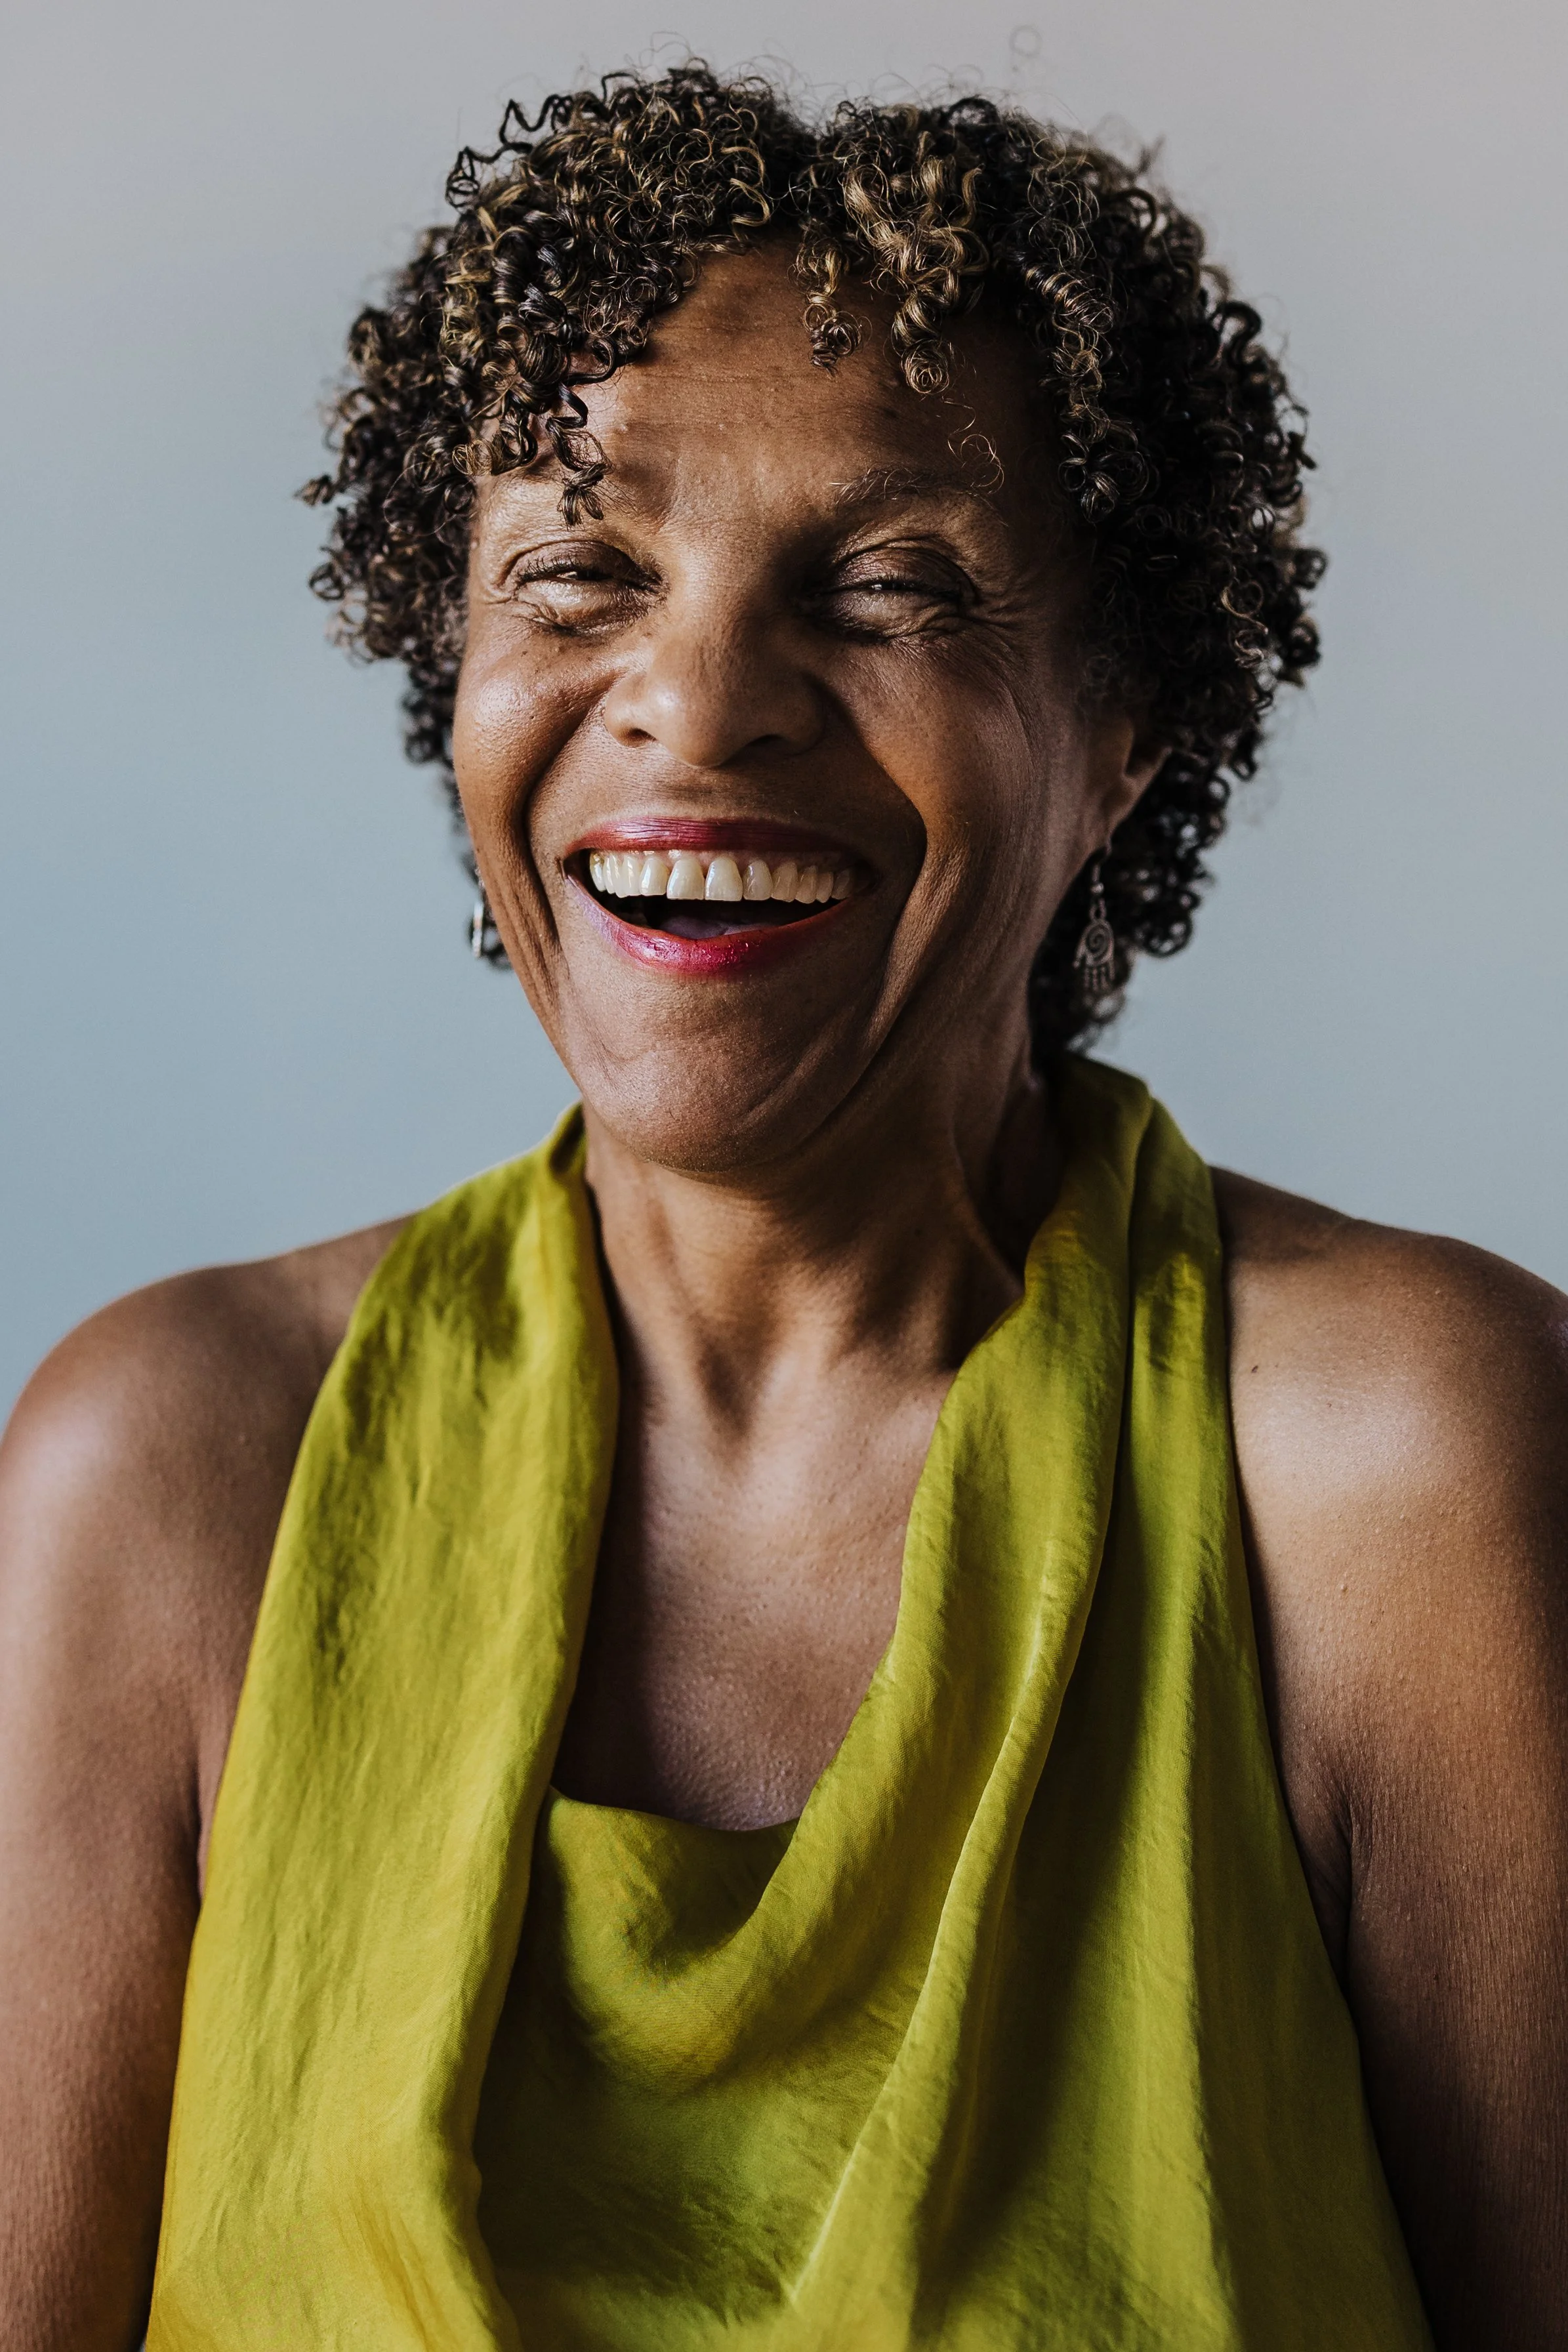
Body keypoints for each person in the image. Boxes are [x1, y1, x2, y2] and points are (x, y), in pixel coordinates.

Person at [1, 62, 1564, 2352]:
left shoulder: (1395, 1466)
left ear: (1122, 727)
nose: (699, 710)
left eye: (887, 586)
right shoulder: (168, 1475)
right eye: (579, 575)